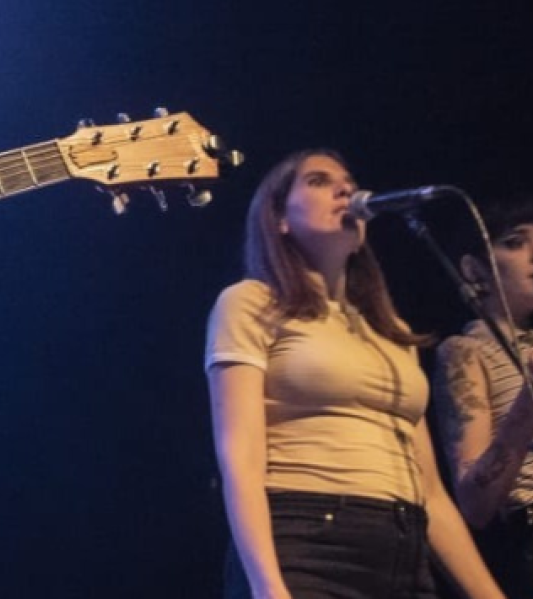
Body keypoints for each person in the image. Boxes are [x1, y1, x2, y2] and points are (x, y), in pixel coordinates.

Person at [205, 148, 503, 599]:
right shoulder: (251, 303)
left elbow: (432, 492)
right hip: (307, 543)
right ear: (279, 218)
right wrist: (266, 583)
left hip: (404, 551)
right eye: (319, 181)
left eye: (347, 180)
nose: (346, 189)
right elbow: (240, 456)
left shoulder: (393, 333)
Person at [433, 196, 533, 597]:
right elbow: (475, 502)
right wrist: (525, 409)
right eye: (515, 242)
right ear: (475, 269)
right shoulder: (466, 351)